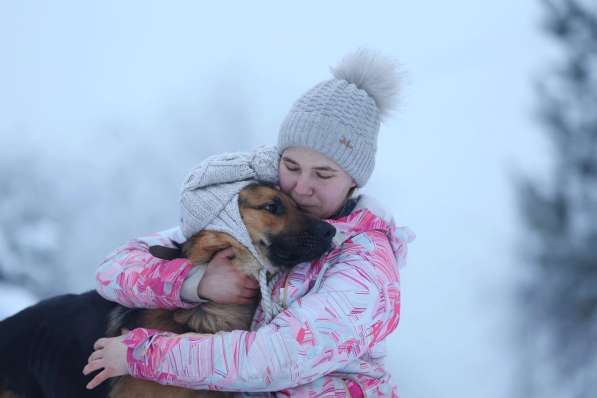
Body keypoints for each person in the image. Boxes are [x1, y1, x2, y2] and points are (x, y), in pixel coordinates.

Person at [83, 49, 414, 397]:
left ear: (354, 181)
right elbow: (114, 269)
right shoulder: (261, 214)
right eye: (291, 166)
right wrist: (194, 282)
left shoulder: (367, 265)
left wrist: (142, 354)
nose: (302, 187)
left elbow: (278, 357)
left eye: (323, 174)